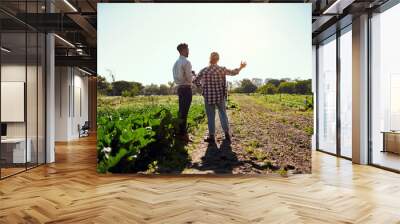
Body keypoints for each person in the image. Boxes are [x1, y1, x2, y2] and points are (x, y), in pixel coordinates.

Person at [194, 52, 246, 143]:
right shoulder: (221, 69)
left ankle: (211, 136)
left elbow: (195, 81)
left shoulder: (204, 70)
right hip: (220, 96)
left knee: (210, 116)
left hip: (208, 96)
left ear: (210, 59)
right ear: (218, 59)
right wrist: (241, 67)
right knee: (223, 114)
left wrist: (202, 88)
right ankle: (226, 134)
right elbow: (233, 72)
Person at [172, 43, 193, 142]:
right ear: (184, 50)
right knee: (184, 112)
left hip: (180, 88)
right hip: (186, 89)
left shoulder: (176, 63)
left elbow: (178, 77)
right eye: (188, 49)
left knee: (181, 112)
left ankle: (180, 133)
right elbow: (189, 78)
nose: (189, 51)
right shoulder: (186, 62)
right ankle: (183, 135)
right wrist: (192, 76)